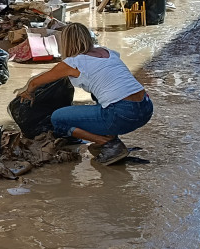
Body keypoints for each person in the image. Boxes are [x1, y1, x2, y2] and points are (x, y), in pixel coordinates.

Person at [18, 22, 154, 166]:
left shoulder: (73, 62)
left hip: (122, 114)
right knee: (99, 95)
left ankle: (108, 143)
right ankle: (109, 137)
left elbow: (35, 83)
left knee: (57, 119)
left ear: (66, 42)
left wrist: (27, 93)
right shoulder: (108, 52)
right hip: (146, 108)